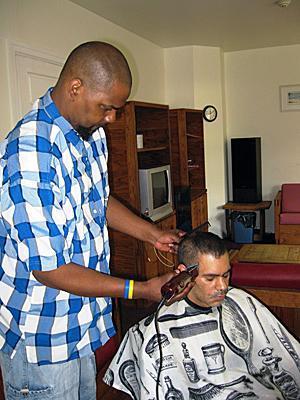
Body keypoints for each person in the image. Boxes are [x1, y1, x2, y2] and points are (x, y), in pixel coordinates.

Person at [0, 41, 189, 400]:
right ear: (75, 87)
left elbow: (96, 201)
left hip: (79, 323)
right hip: (43, 336)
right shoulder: (29, 153)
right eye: (107, 107)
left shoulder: (90, 136)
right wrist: (140, 289)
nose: (112, 118)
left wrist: (151, 234)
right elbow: (50, 270)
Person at [104, 231, 300, 400]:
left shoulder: (241, 300)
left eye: (226, 275)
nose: (223, 286)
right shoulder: (154, 329)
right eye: (210, 278)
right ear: (184, 273)